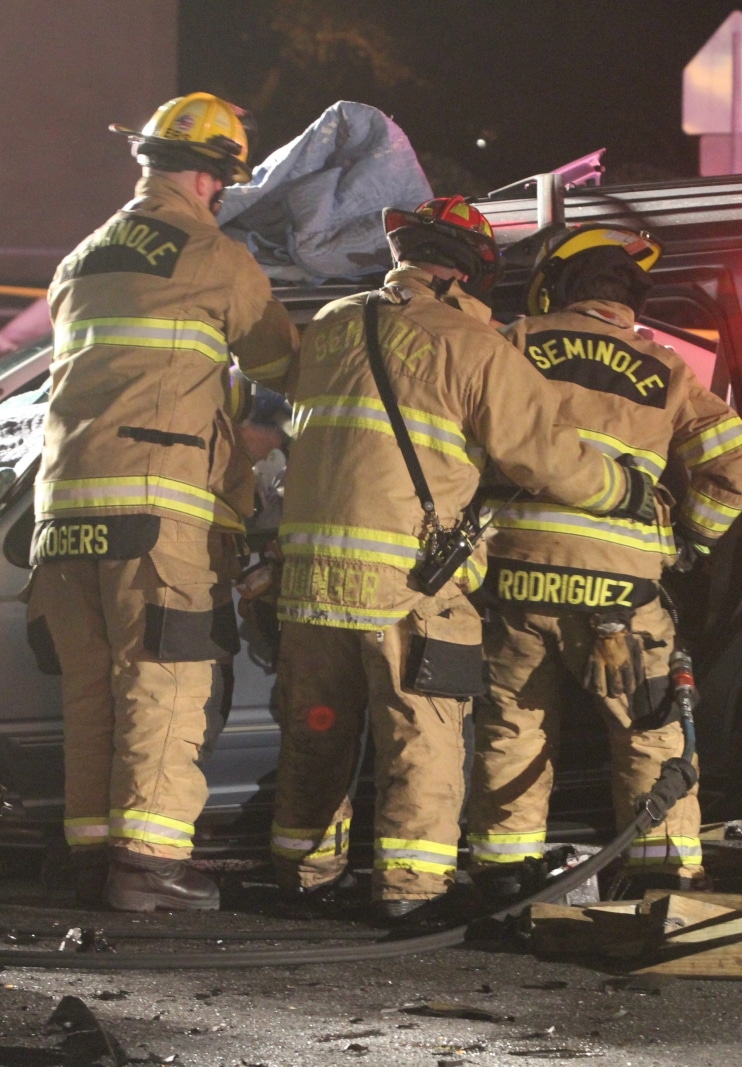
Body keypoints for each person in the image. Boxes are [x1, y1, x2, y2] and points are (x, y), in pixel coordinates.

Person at [265, 196, 657, 924]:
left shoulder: (331, 326)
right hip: (409, 583)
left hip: (309, 581)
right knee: (423, 736)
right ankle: (411, 893)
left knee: (316, 728)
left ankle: (304, 875)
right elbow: (544, 456)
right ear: (477, 270)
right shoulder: (476, 347)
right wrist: (624, 488)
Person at [25, 92, 298, 912]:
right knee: (163, 685)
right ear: (213, 178)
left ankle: (94, 856)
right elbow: (284, 364)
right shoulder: (214, 255)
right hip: (153, 512)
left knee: (93, 694)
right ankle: (148, 866)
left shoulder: (80, 259)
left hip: (60, 515)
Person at [466, 224, 742, 898]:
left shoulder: (517, 342)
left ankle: (505, 877)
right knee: (650, 732)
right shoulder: (667, 369)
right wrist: (692, 540)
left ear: (558, 287)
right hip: (621, 595)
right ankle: (662, 879)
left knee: (514, 726)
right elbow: (737, 462)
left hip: (516, 577)